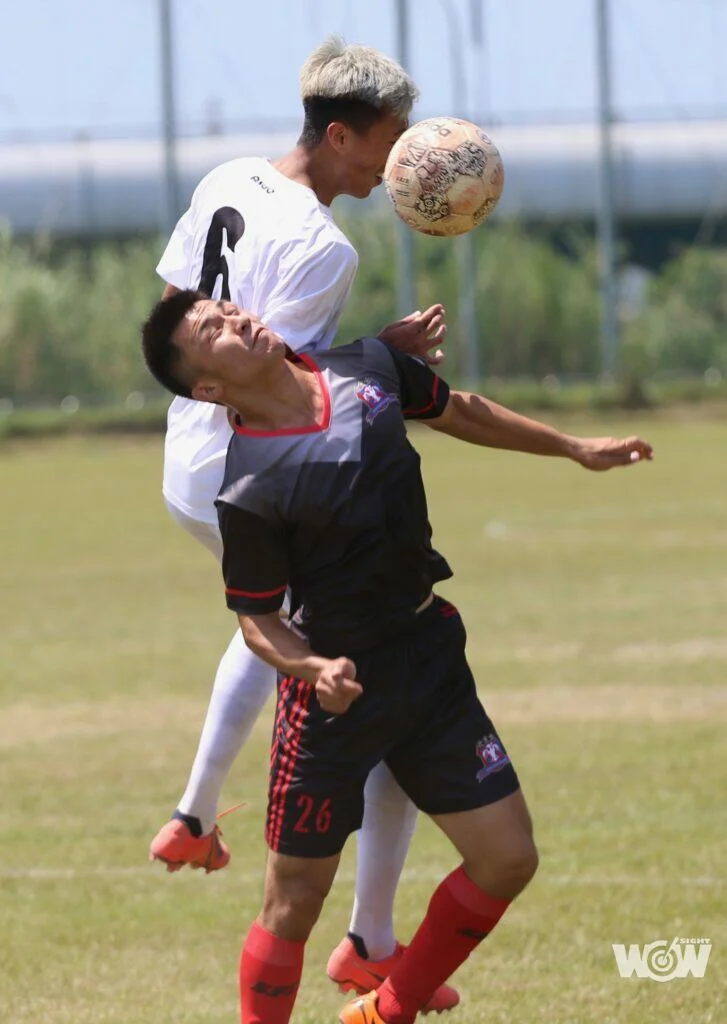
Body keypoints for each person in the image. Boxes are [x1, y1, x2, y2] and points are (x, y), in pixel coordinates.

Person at [140, 290, 653, 1024]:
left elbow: (460, 410)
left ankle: (391, 1008)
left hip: (426, 656)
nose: (237, 319)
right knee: (294, 900)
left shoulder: (367, 366)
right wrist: (312, 670)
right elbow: (256, 622)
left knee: (508, 857)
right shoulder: (248, 488)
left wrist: (572, 446)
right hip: (333, 694)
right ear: (209, 389)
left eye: (228, 309)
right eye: (212, 330)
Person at [148, 35, 457, 1011]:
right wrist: (382, 351)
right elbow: (291, 381)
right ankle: (367, 939)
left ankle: (197, 814)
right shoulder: (325, 248)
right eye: (389, 145)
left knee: (285, 631)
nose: (396, 166)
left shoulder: (229, 176)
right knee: (376, 674)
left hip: (188, 458)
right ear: (338, 136)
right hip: (262, 473)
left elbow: (173, 314)